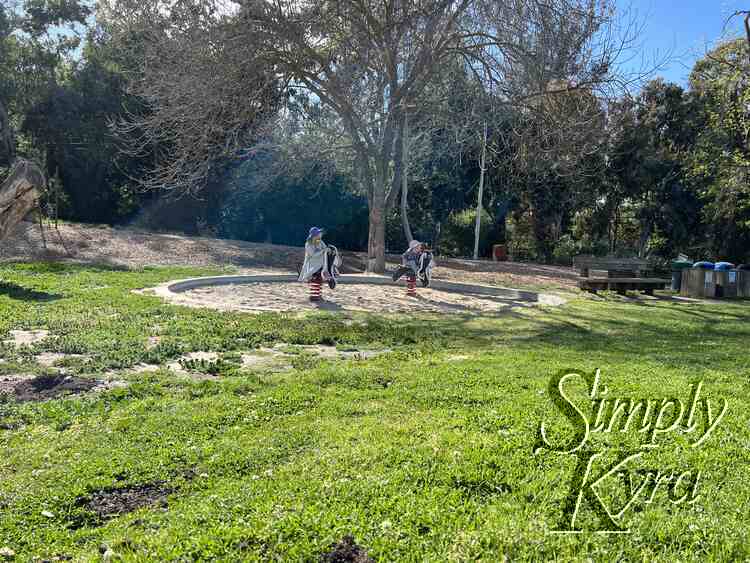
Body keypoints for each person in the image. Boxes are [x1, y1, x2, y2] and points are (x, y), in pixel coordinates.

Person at [298, 227, 341, 296]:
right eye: (319, 234)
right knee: (323, 257)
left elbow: (325, 249)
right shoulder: (308, 244)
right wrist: (323, 251)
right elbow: (313, 255)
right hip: (312, 262)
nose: (321, 235)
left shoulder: (320, 242)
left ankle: (331, 270)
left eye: (320, 234)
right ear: (314, 235)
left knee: (331, 254)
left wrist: (328, 250)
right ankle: (327, 273)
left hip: (321, 261)